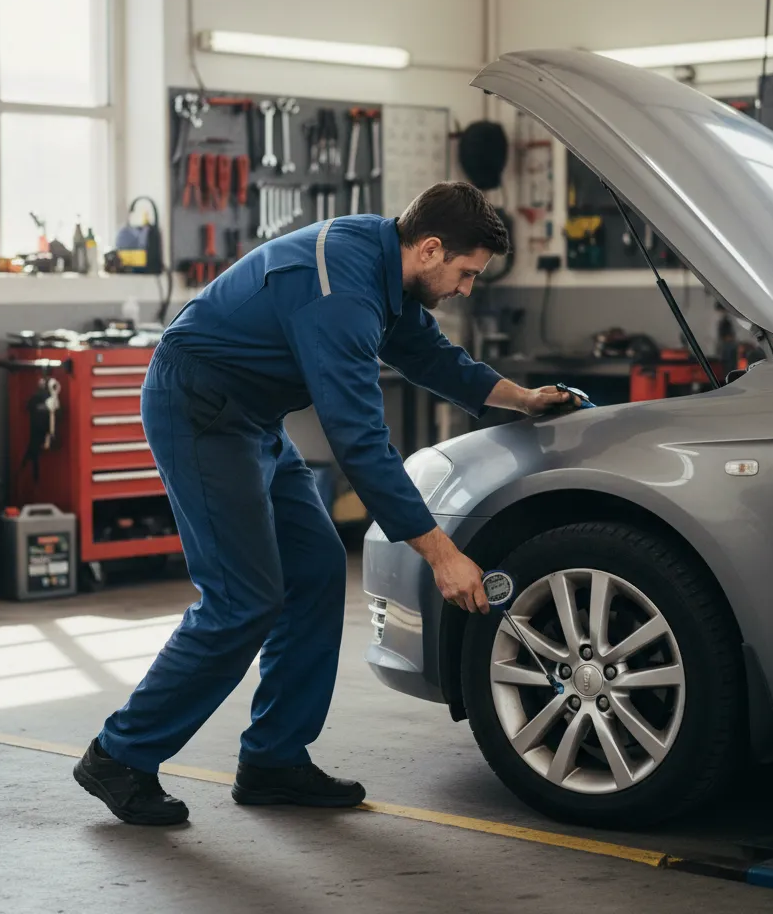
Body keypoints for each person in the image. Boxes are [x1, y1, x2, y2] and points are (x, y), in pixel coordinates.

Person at [73, 182, 576, 825]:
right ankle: (120, 755)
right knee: (242, 600)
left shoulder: (382, 259)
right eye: (466, 273)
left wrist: (524, 399)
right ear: (429, 249)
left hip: (253, 416)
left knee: (314, 569)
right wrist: (441, 555)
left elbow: (429, 355)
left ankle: (274, 759)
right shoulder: (342, 293)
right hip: (198, 409)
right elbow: (361, 443)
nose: (467, 288)